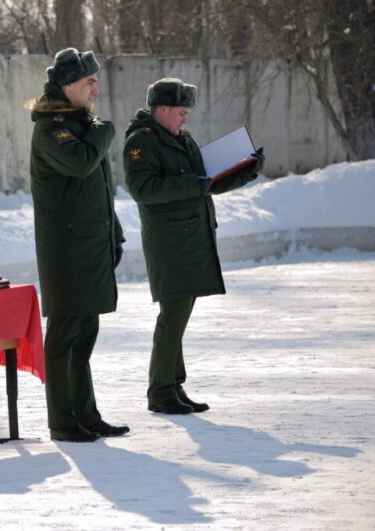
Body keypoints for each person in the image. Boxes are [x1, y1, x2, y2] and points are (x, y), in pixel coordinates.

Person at [122, 77, 264, 415]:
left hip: (189, 238)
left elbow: (207, 182)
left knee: (179, 315)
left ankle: (174, 386)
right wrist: (192, 184)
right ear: (163, 109)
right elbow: (144, 188)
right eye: (182, 113)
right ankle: (160, 391)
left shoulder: (181, 139)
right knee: (172, 315)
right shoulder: (140, 142)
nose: (186, 119)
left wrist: (246, 170)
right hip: (169, 242)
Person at [27, 48, 130, 442]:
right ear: (68, 85)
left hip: (89, 242)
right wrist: (105, 130)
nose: (96, 91)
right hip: (66, 249)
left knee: (85, 332)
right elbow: (82, 163)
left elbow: (99, 189)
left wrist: (113, 232)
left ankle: (86, 413)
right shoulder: (52, 129)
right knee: (66, 332)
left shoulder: (81, 124)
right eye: (89, 83)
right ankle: (63, 420)